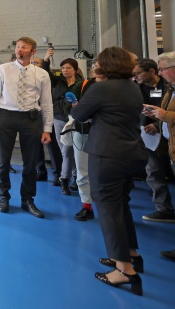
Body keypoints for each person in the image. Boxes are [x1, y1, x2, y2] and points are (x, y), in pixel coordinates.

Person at [71, 46, 146, 296]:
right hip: (131, 153)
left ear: (107, 65)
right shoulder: (132, 87)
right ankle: (132, 254)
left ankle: (125, 271)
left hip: (107, 156)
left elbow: (79, 114)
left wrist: (80, 104)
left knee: (108, 210)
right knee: (122, 206)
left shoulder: (101, 89)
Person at [0, 37, 53, 218]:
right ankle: (4, 196)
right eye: (17, 47)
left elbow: (47, 103)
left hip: (31, 119)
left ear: (33, 52)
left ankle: (27, 200)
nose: (19, 50)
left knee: (30, 163)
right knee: (3, 161)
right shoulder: (3, 69)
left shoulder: (41, 74)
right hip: (5, 117)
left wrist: (47, 128)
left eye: (24, 47)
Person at [138, 51, 175, 261]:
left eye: (163, 69)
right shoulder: (166, 90)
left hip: (165, 135)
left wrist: (160, 118)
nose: (161, 72)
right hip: (154, 137)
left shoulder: (167, 88)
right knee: (153, 171)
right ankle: (164, 209)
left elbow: (165, 112)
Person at [42, 50, 84, 195]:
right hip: (59, 118)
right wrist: (46, 60)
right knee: (66, 151)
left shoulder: (82, 84)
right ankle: (65, 180)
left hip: (75, 119)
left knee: (76, 151)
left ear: (75, 70)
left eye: (68, 68)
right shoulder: (57, 81)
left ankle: (74, 177)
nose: (65, 70)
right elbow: (46, 73)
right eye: (63, 68)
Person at [68, 62, 97, 221]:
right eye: (95, 65)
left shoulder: (119, 87)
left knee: (105, 172)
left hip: (106, 135)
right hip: (83, 131)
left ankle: (113, 205)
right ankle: (87, 205)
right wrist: (75, 107)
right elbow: (68, 108)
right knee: (82, 171)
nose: (97, 68)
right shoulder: (83, 85)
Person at [31, 56, 63, 184]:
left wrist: (46, 61)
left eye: (37, 63)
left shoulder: (48, 78)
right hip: (34, 116)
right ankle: (41, 172)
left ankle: (58, 174)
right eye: (33, 63)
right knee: (36, 147)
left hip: (49, 115)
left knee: (52, 146)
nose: (34, 65)